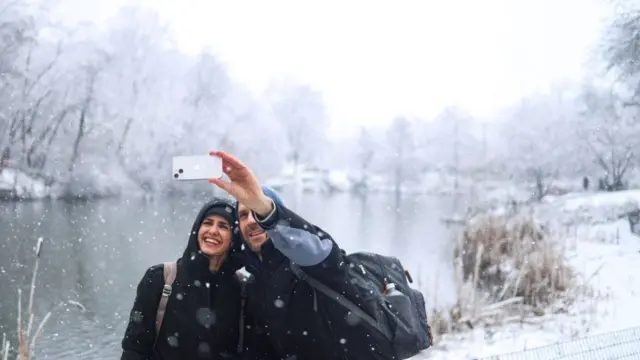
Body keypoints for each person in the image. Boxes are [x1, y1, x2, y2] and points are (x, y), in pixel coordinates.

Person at [209, 151, 397, 360]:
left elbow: (317, 249)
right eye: (243, 215)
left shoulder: (308, 263)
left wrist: (266, 210)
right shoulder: (254, 283)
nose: (252, 221)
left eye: (257, 212)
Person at [120, 197, 257, 360]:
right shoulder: (160, 279)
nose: (213, 231)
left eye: (223, 226)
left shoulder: (241, 289)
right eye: (207, 223)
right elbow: (134, 349)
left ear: (234, 238)